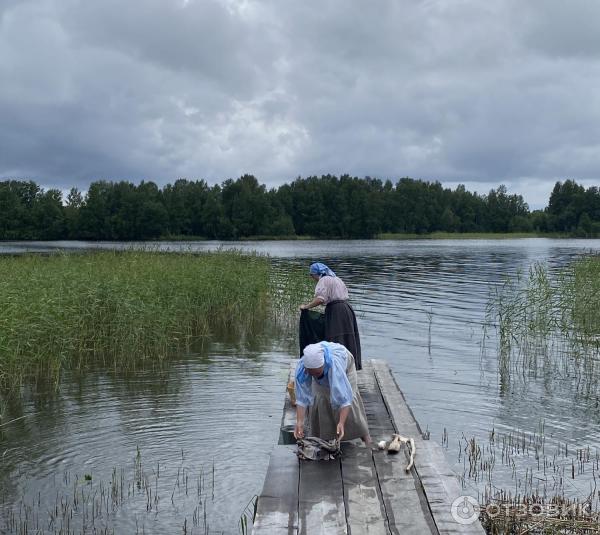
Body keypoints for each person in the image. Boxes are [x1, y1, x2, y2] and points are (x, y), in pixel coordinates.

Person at [293, 341, 370, 443]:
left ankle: (366, 438)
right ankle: (325, 439)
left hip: (346, 367)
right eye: (311, 373)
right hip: (320, 369)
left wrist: (341, 422)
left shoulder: (335, 367)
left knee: (348, 405)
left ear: (323, 365)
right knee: (321, 400)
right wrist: (299, 422)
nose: (314, 376)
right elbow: (301, 398)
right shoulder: (303, 368)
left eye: (317, 373)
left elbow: (345, 399)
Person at [299, 262, 362, 370]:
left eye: (312, 275)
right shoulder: (336, 279)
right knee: (347, 336)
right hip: (347, 308)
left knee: (335, 336)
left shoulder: (324, 280)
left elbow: (320, 299)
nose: (312, 278)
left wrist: (306, 307)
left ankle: (337, 365)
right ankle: (350, 365)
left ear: (316, 273)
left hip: (336, 311)